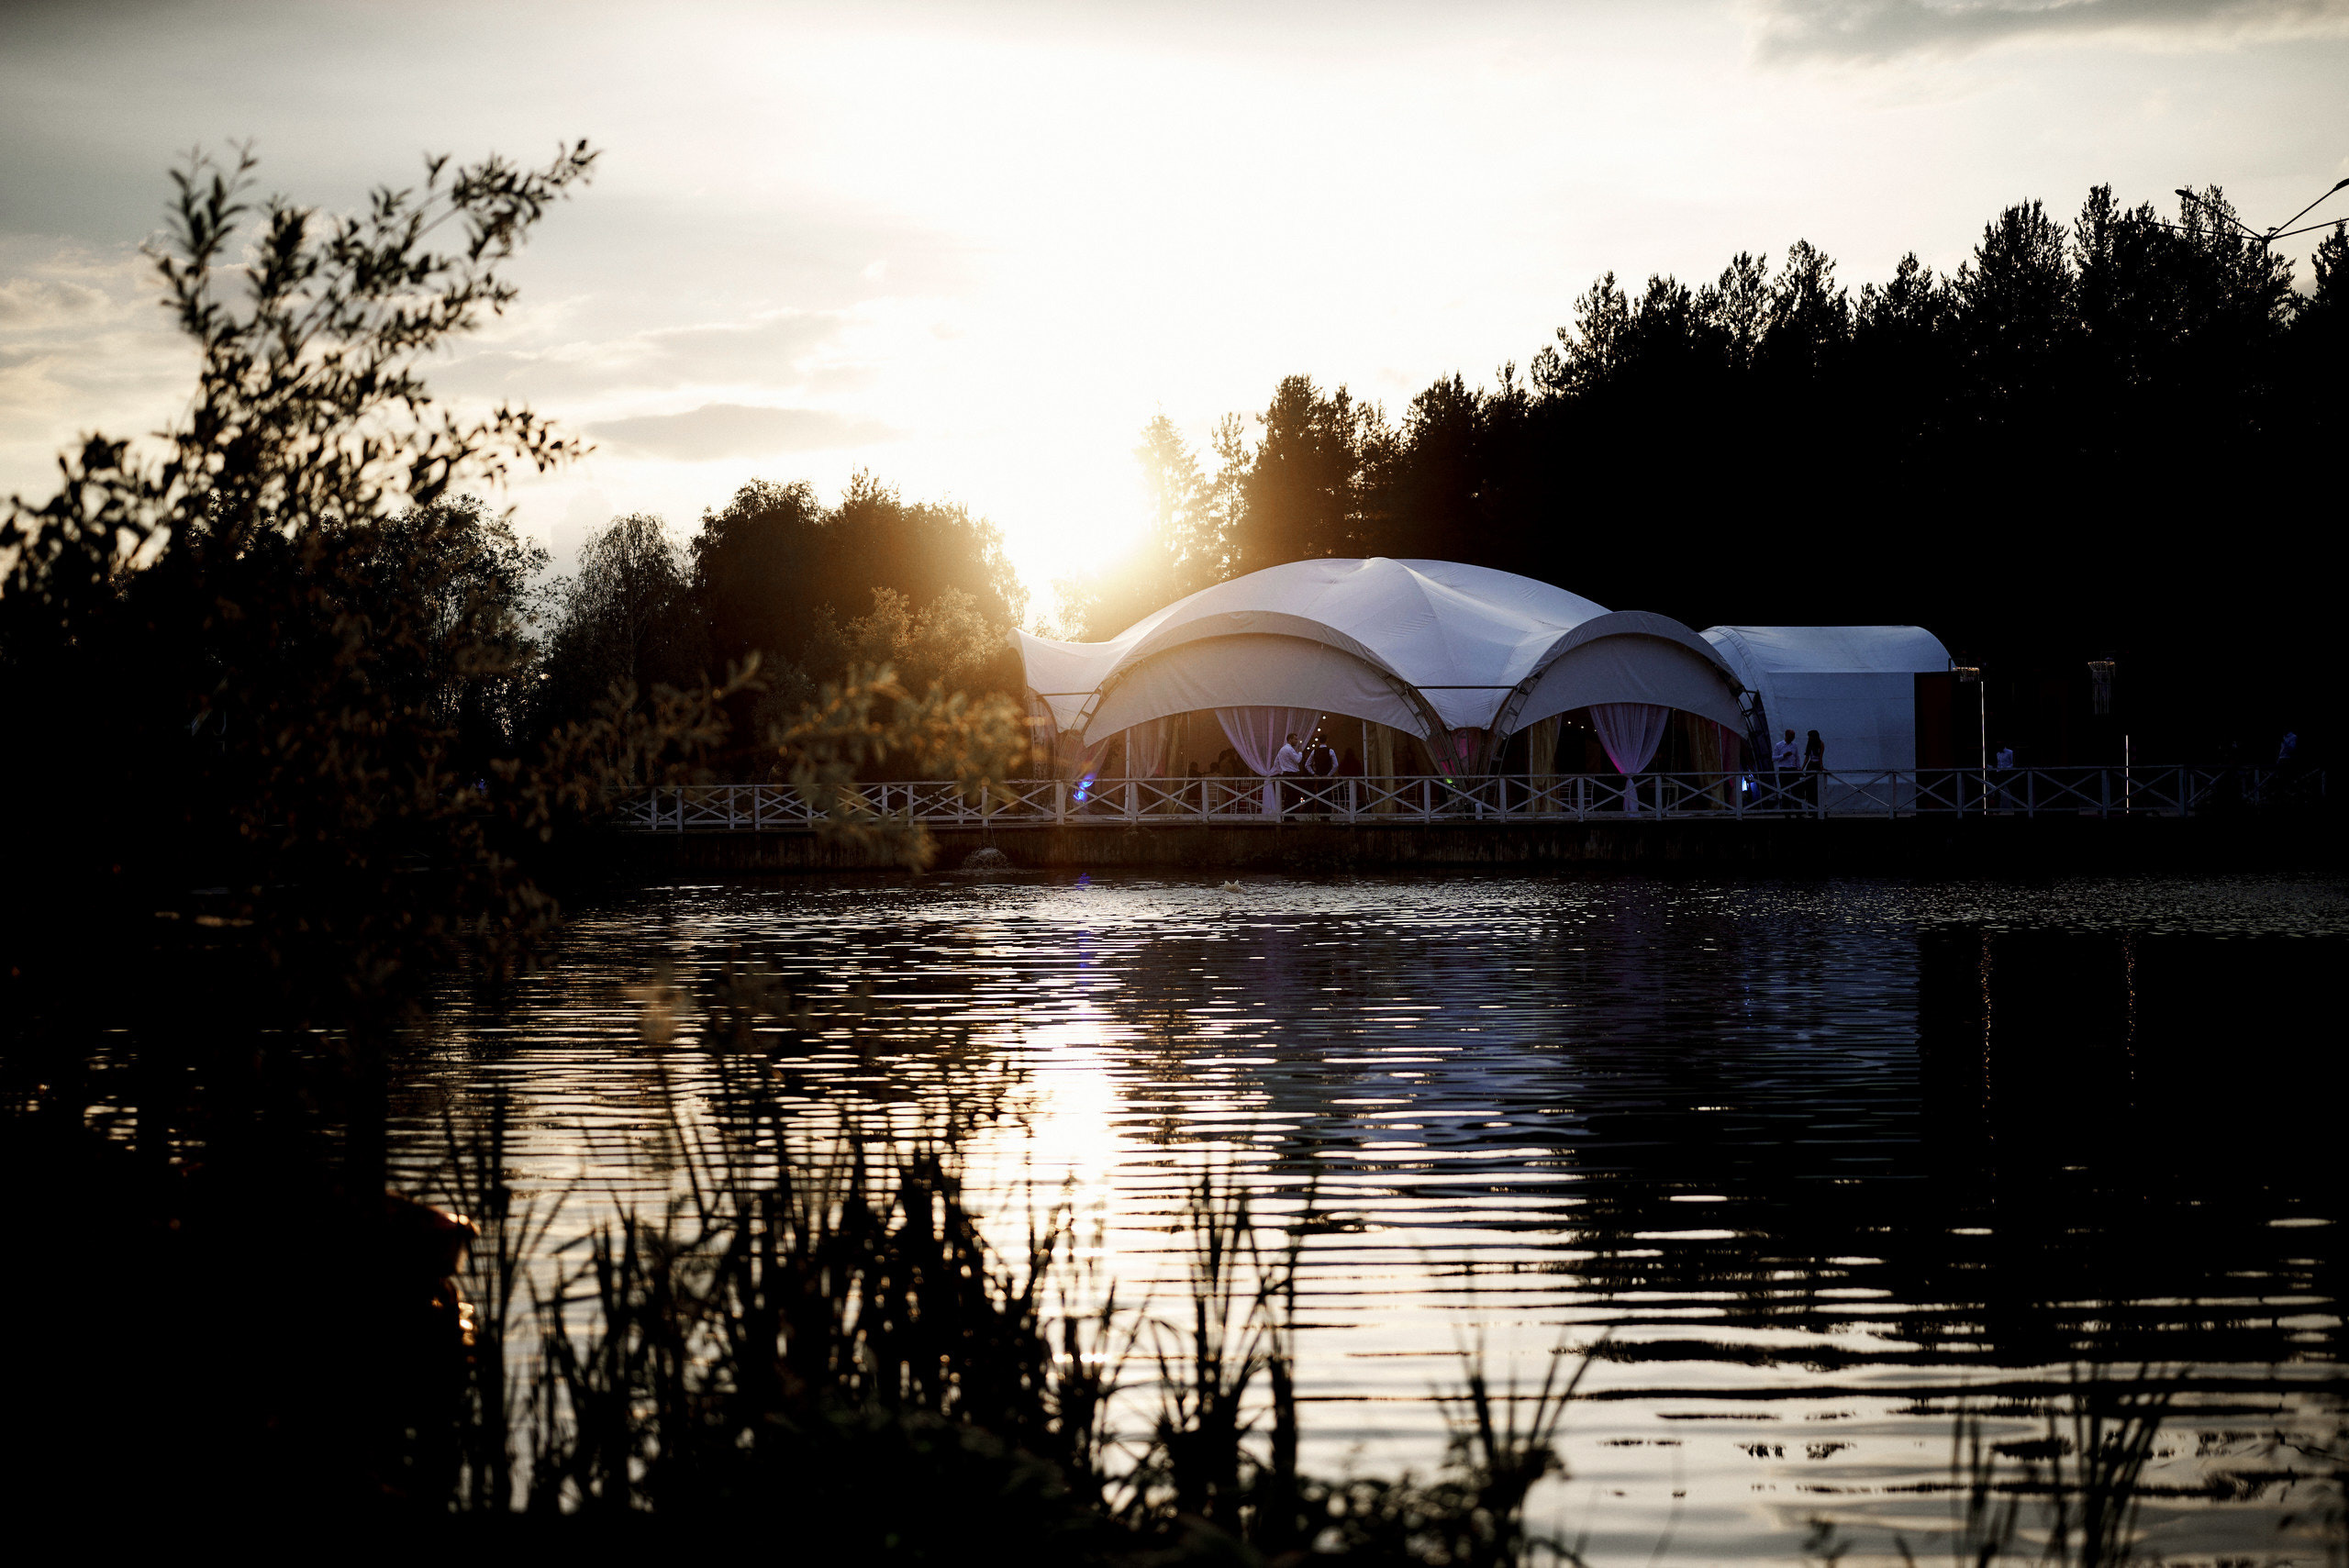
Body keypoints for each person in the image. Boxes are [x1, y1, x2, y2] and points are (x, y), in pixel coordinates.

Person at [1273, 731, 1304, 814]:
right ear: (1290, 739)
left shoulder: (1282, 749)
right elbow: (1298, 760)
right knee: (1295, 796)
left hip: (1286, 773)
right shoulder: (1289, 749)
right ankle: (1292, 815)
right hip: (1292, 774)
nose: (1297, 741)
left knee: (1289, 795)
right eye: (1295, 739)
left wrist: (1282, 771)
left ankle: (1287, 815)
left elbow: (1276, 763)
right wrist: (1300, 752)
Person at [1801, 728, 1825, 808]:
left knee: (1816, 787)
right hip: (1811, 765)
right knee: (1809, 787)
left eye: (1810, 736)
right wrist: (1802, 768)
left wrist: (1821, 766)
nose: (1809, 738)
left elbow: (1820, 757)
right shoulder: (1809, 744)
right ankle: (1811, 807)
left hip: (1816, 765)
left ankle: (1817, 807)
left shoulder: (1821, 744)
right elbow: (1807, 757)